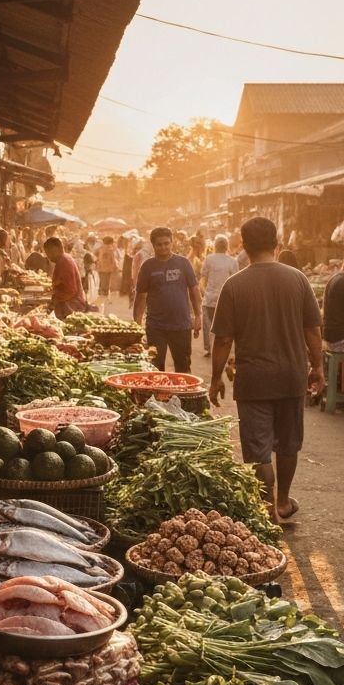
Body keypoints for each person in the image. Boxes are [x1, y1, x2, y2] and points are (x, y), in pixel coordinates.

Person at [209, 216, 325, 523]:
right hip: (291, 375)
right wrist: (318, 368)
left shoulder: (234, 286)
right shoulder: (298, 279)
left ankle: (268, 509)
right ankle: (284, 501)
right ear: (277, 244)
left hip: (253, 380)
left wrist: (215, 379)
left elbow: (222, 339)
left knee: (258, 450)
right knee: (288, 444)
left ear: (243, 247)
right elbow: (313, 330)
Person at [133, 227, 201, 373]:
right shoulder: (147, 267)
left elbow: (194, 290)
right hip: (156, 327)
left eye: (166, 243)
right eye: (159, 244)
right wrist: (136, 325)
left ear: (172, 243)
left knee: (183, 367)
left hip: (181, 325)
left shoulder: (183, 263)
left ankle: (183, 396)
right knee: (155, 368)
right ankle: (157, 396)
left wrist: (198, 316)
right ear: (153, 245)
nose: (163, 247)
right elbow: (140, 297)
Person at [200, 234, 238, 357]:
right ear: (226, 246)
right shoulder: (232, 261)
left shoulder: (209, 259)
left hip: (210, 296)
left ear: (215, 246)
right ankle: (224, 347)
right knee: (224, 325)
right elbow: (235, 279)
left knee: (207, 325)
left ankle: (208, 348)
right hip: (226, 299)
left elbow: (203, 275)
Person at [44, 236, 89, 319]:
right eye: (47, 254)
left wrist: (54, 301)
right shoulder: (64, 259)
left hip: (71, 306)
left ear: (59, 248)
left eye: (50, 253)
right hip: (70, 304)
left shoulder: (64, 262)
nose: (49, 257)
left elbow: (71, 291)